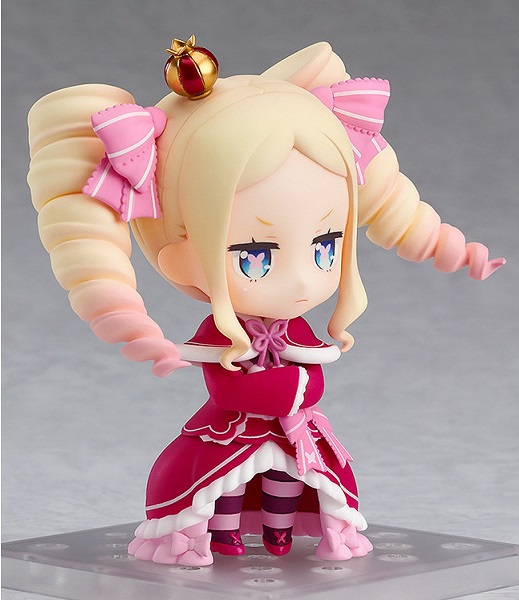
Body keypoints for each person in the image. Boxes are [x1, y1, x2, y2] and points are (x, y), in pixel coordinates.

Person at [27, 39, 504, 566]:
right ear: (181, 258)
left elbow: (311, 374)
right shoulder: (222, 333)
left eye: (326, 247)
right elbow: (226, 384)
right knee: (218, 483)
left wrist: (300, 387)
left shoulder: (293, 328)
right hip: (232, 430)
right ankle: (221, 536)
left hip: (293, 429)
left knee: (297, 479)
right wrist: (290, 387)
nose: (302, 280)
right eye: (255, 255)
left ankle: (281, 532)